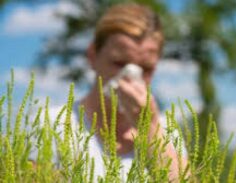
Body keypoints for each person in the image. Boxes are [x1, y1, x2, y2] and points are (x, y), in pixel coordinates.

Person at [31, 3, 187, 182]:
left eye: (145, 68)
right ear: (92, 55)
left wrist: (150, 130)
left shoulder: (166, 130)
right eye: (119, 63)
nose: (130, 78)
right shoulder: (53, 125)